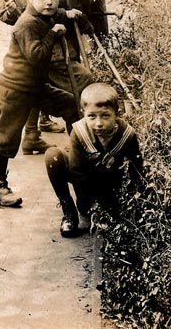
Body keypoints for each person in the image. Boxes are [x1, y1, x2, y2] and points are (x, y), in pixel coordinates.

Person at [0, 0, 84, 208]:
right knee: (7, 139)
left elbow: (55, 13)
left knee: (71, 105)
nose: (50, 3)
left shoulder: (43, 14)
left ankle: (79, 158)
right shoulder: (27, 24)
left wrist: (64, 16)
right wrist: (54, 33)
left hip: (35, 87)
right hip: (15, 89)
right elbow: (37, 56)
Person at [44, 83, 143, 237]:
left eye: (105, 115)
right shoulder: (79, 132)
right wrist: (87, 203)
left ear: (117, 113)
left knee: (117, 222)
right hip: (84, 178)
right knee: (53, 156)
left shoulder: (127, 135)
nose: (98, 123)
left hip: (110, 181)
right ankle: (69, 211)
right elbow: (77, 171)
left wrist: (133, 203)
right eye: (92, 116)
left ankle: (105, 205)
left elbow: (136, 170)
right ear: (83, 113)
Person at [0, 0, 63, 156]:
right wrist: (9, 14)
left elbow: (50, 12)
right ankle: (0, 179)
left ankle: (33, 134)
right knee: (8, 134)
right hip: (23, 64)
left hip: (38, 59)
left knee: (46, 93)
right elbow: (11, 18)